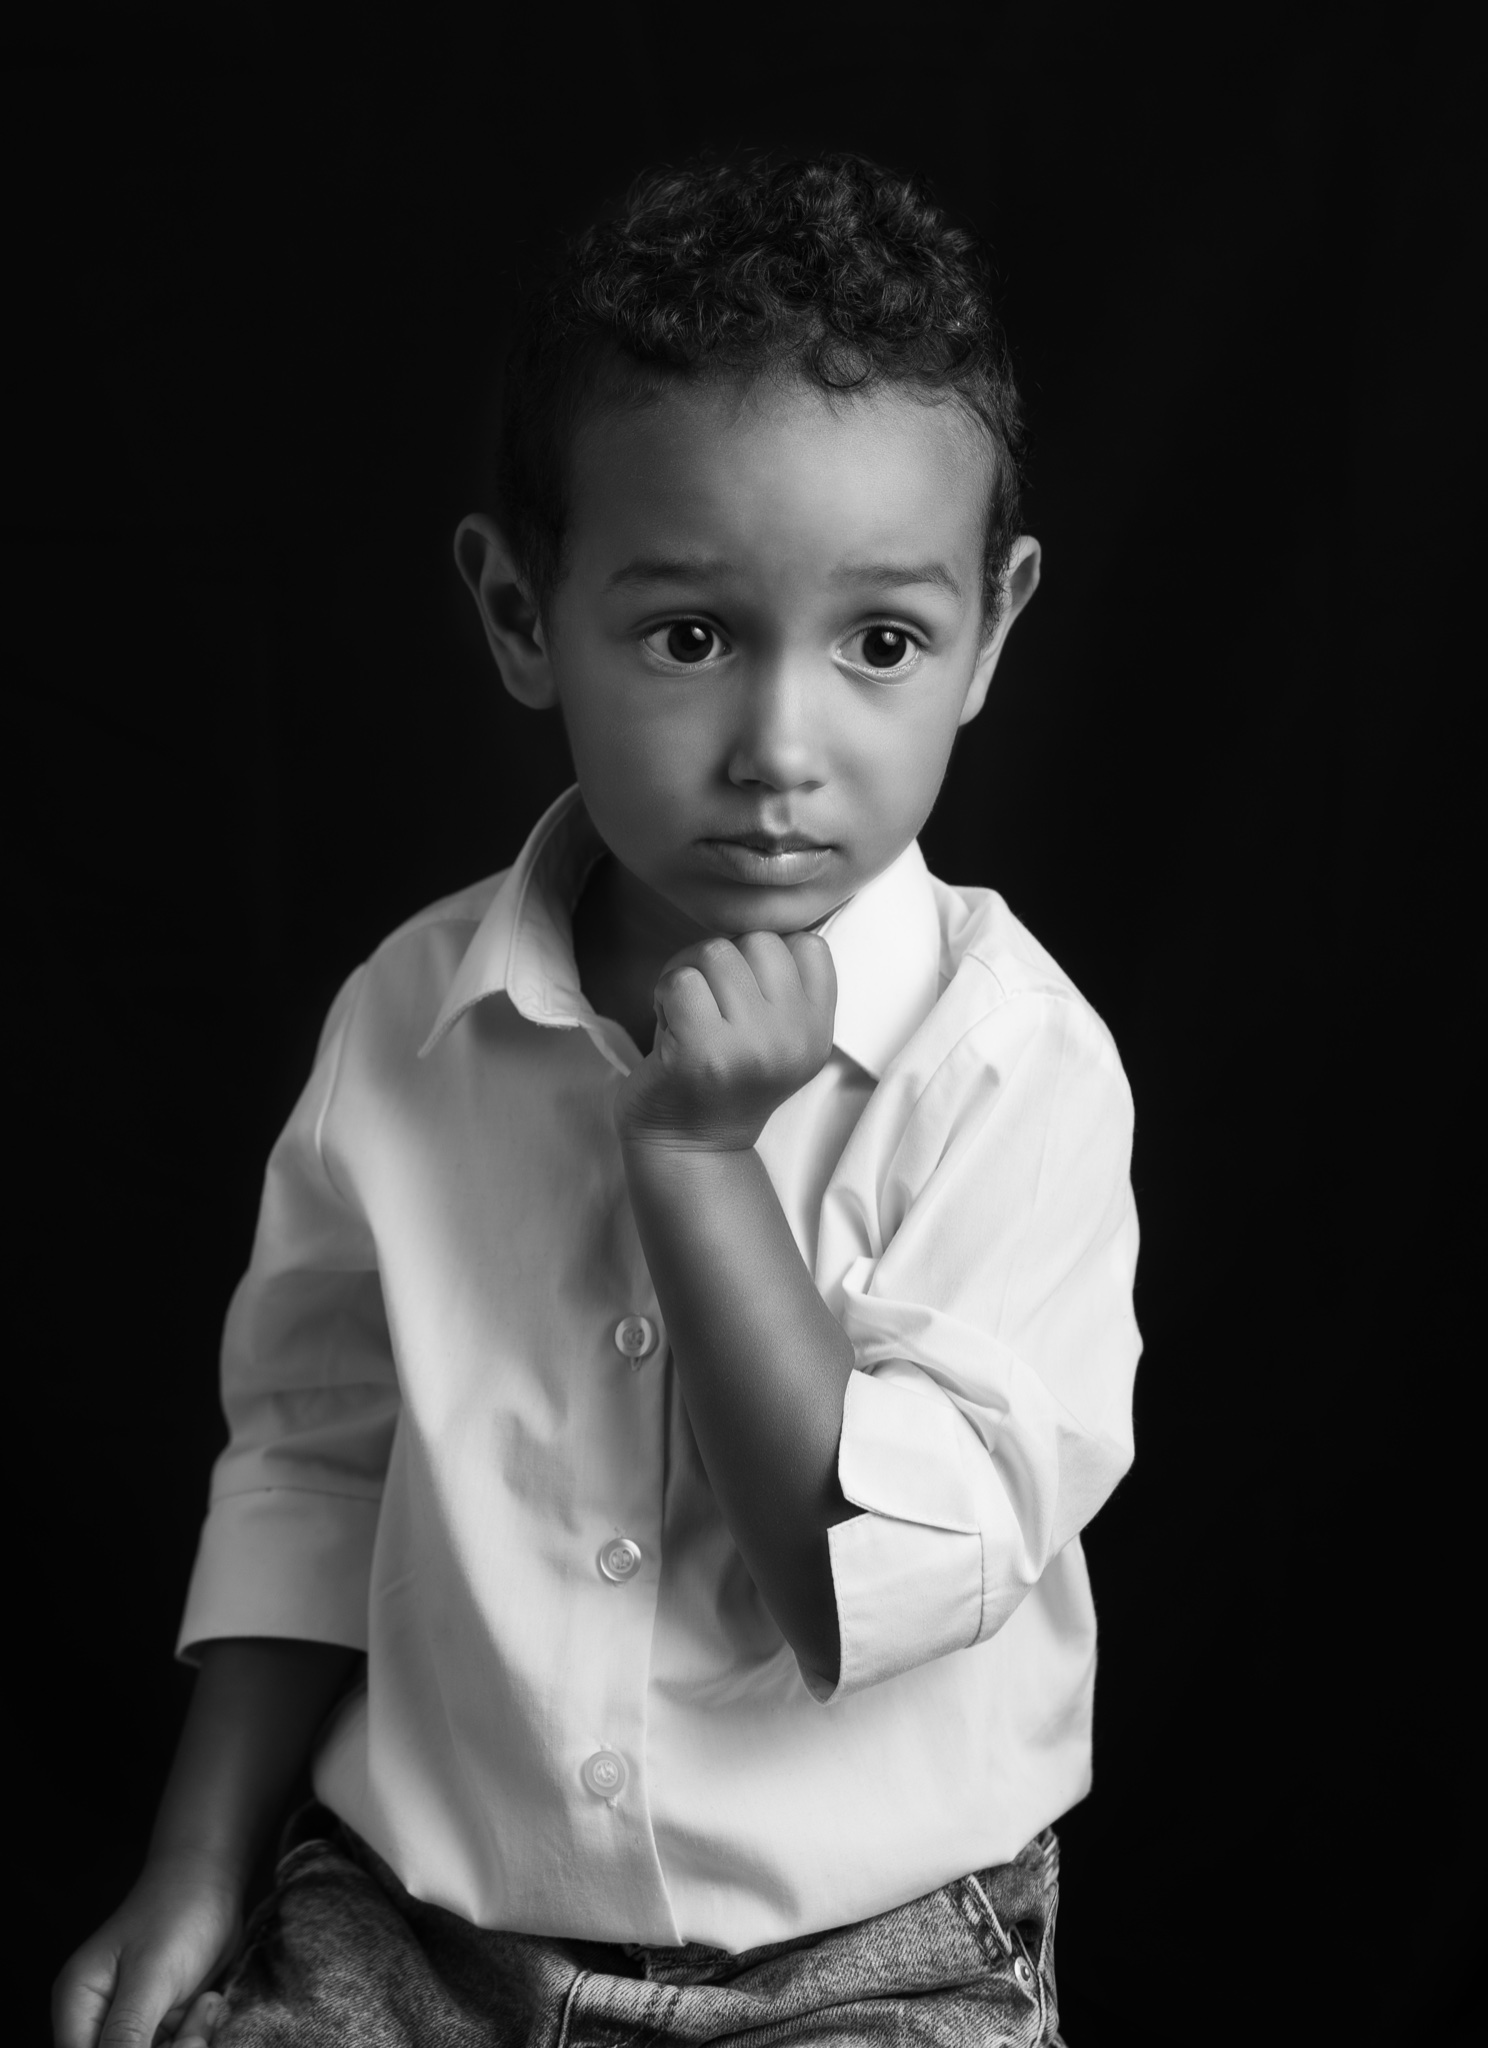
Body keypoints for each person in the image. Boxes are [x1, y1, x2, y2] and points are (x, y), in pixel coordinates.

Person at [55, 153, 1140, 2048]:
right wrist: (195, 1865)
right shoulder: (408, 1022)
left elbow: (850, 1590)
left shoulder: (1012, 1070)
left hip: (873, 1956)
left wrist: (699, 1163)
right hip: (424, 1924)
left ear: (990, 630)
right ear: (519, 612)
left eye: (881, 642)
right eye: (690, 635)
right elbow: (316, 1459)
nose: (781, 749)